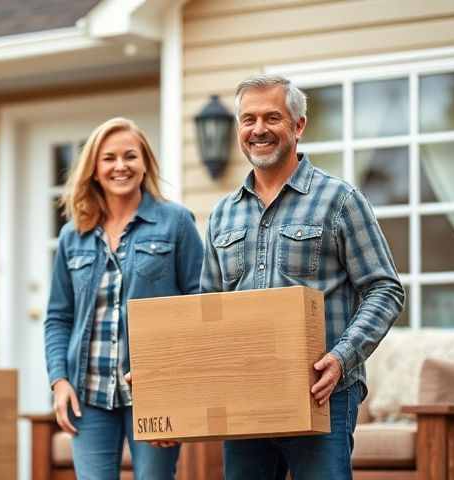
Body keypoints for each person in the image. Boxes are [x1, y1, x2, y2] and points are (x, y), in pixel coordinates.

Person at [200, 74, 405, 479]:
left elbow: (384, 289)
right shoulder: (223, 213)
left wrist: (342, 358)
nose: (258, 129)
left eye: (272, 117)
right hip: (244, 399)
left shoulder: (340, 200)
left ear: (298, 126)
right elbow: (208, 308)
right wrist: (168, 375)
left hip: (321, 395)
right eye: (248, 119)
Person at [44, 117, 204, 479]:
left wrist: (177, 385)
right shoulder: (74, 236)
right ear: (94, 170)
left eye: (130, 156)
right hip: (88, 392)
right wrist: (59, 380)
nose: (120, 166)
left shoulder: (176, 222)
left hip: (154, 389)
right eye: (109, 158)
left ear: (145, 162)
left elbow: (199, 304)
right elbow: (58, 317)